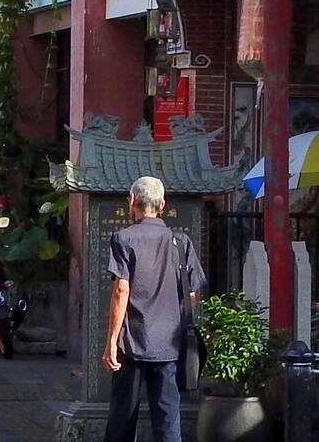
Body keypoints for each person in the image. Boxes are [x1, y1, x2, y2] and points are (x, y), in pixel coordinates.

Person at [101, 176, 204, 442]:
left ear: (132, 201)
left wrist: (111, 342)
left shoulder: (123, 238)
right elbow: (192, 293)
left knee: (122, 419)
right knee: (168, 421)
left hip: (132, 342)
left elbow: (121, 290)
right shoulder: (181, 241)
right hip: (169, 345)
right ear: (162, 204)